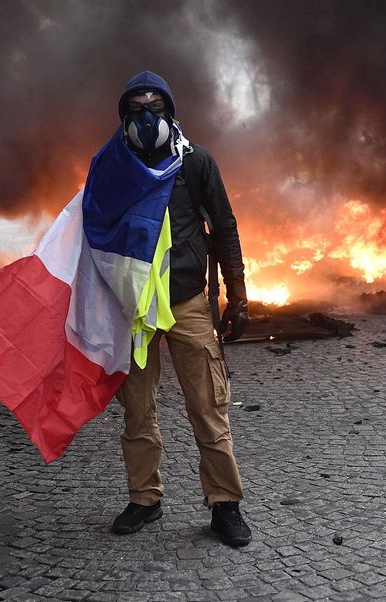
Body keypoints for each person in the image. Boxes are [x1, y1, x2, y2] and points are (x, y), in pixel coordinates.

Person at [106, 71, 252, 547]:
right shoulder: (112, 166)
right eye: (137, 111)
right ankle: (144, 499)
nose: (147, 119)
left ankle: (225, 505)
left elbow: (225, 225)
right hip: (135, 308)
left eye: (156, 108)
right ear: (124, 118)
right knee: (137, 408)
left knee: (209, 406)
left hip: (187, 300)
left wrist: (238, 292)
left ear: (170, 112)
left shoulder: (195, 163)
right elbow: (94, 235)